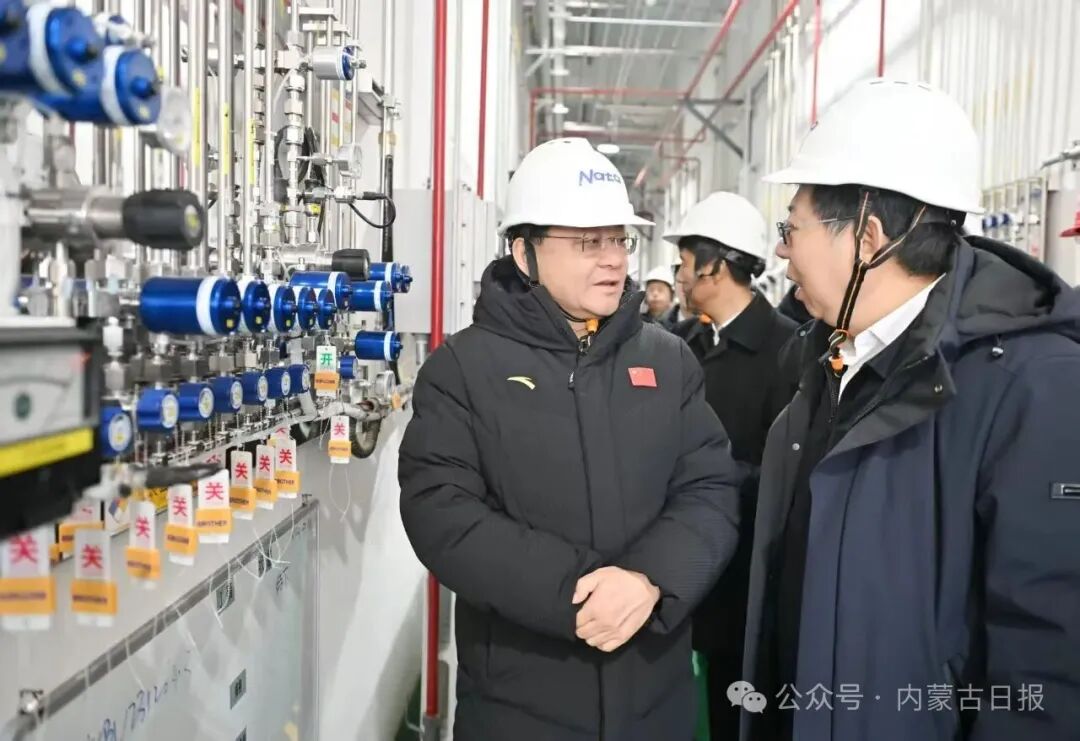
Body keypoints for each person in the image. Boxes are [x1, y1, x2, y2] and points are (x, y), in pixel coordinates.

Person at [740, 78, 1080, 741]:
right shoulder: (828, 363)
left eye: (791, 228)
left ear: (868, 237)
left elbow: (1049, 665)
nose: (780, 251)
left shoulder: (1034, 388)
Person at [398, 137, 744, 741]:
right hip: (520, 704)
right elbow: (442, 513)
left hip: (652, 696)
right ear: (524, 251)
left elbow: (710, 488)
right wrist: (578, 594)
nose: (613, 260)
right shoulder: (463, 369)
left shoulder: (667, 361)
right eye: (588, 242)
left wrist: (650, 580)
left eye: (619, 240)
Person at [666, 191, 800, 741]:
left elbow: (788, 477)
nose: (678, 276)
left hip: (742, 580)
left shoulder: (788, 352)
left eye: (683, 264)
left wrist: (713, 478)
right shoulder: (681, 345)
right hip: (679, 568)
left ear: (714, 267)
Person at [641, 265, 680, 330]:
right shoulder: (639, 322)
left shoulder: (679, 322)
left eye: (660, 290)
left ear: (671, 294)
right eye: (651, 290)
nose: (655, 294)